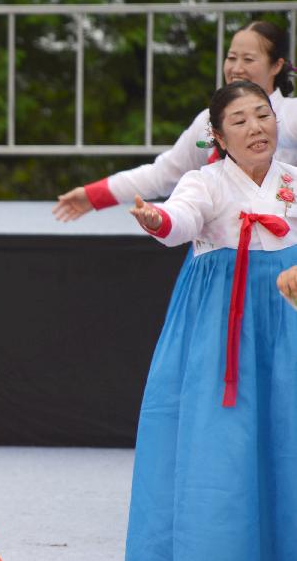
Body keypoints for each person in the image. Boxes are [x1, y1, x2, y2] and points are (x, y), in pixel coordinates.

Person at [126, 81, 297, 560]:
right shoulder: (204, 182)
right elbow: (180, 218)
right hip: (224, 325)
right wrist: (157, 221)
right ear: (218, 138)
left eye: (262, 115)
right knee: (221, 443)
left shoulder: (293, 180)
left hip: (288, 317)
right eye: (239, 121)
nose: (256, 127)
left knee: (288, 433)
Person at [54, 21, 297, 222]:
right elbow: (164, 174)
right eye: (231, 57)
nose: (236, 68)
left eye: (248, 59)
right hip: (215, 259)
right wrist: (94, 194)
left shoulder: (291, 116)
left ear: (276, 65)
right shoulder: (208, 122)